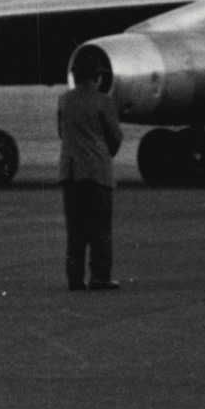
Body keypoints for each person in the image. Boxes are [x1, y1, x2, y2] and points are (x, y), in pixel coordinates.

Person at [56, 50, 125, 290]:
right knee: (100, 229)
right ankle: (100, 277)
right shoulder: (104, 101)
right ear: (97, 77)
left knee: (75, 230)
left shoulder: (64, 100)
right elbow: (115, 137)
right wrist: (104, 154)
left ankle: (74, 279)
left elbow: (61, 132)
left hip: (71, 172)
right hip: (97, 172)